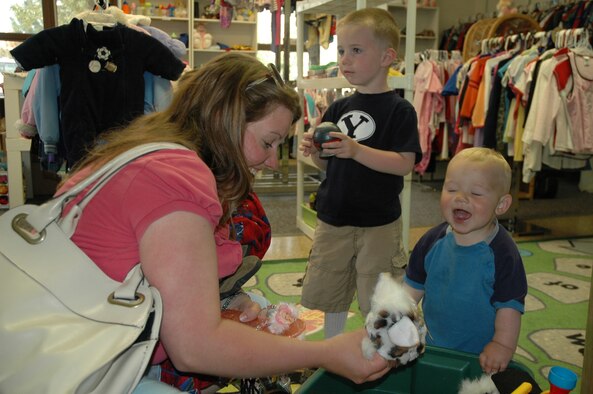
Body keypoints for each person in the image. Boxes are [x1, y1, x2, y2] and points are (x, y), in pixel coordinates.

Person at [56, 52, 391, 392]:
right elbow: (195, 347)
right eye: (268, 142)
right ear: (224, 120)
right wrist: (323, 353)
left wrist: (225, 300)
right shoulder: (176, 179)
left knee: (254, 309)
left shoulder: (151, 151)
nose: (273, 162)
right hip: (78, 369)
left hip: (73, 342)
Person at [298, 7, 422, 339]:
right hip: (334, 217)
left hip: (378, 222)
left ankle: (378, 350)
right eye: (341, 51)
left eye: (356, 50)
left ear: (387, 57)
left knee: (378, 296)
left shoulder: (400, 110)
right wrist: (315, 155)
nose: (344, 59)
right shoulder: (338, 108)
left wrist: (356, 149)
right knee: (330, 286)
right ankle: (332, 349)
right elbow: (329, 166)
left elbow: (404, 163)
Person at [403, 147, 528, 375]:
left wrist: (501, 345)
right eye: (451, 189)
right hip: (431, 347)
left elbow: (510, 307)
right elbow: (411, 288)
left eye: (477, 193)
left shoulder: (503, 253)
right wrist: (395, 317)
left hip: (479, 357)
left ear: (501, 205)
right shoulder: (431, 241)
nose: (460, 198)